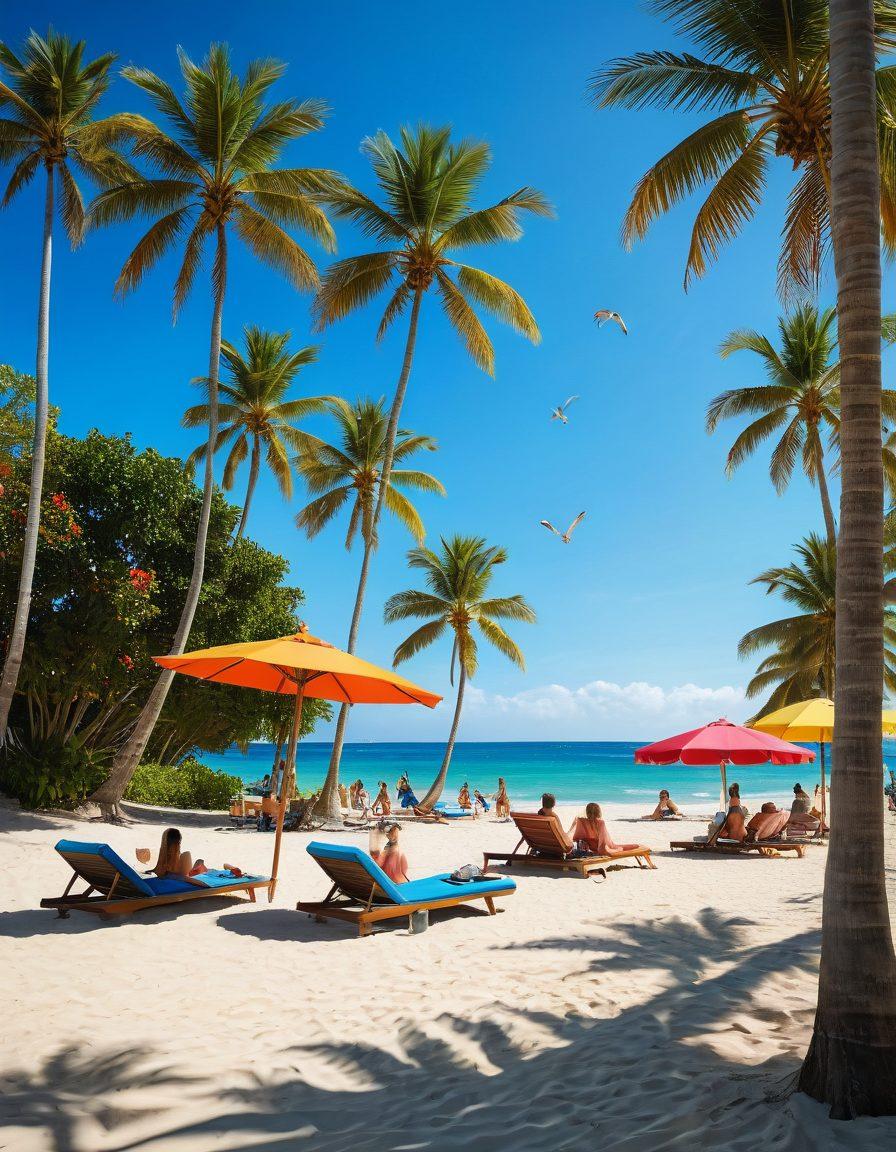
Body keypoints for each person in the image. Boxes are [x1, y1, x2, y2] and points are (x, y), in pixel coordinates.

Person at [153, 828, 242, 884]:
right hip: (199, 874)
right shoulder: (184, 856)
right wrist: (207, 885)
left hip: (196, 872)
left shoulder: (163, 861)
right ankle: (228, 867)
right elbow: (187, 878)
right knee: (224, 865)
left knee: (200, 861)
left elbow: (158, 873)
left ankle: (226, 867)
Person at [568, 803, 639, 857]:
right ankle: (635, 846)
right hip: (595, 847)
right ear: (598, 813)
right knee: (616, 848)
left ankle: (635, 846)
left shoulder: (581, 820)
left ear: (587, 812)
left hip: (585, 846)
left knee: (615, 847)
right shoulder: (600, 823)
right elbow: (602, 842)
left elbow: (577, 837)